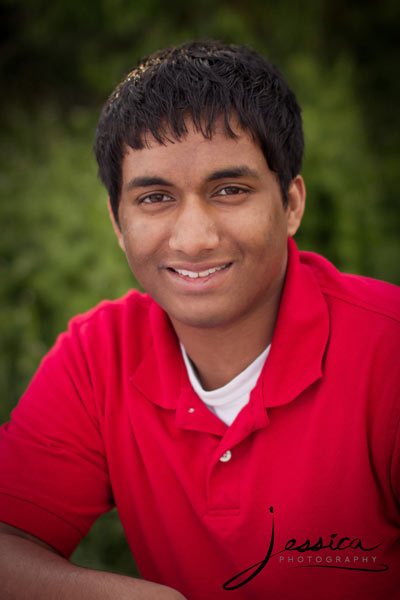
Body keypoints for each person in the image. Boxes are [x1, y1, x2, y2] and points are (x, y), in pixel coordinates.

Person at [0, 40, 399, 600]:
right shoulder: (99, 355)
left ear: (291, 205)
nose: (193, 239)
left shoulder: (389, 349)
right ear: (118, 224)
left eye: (230, 190)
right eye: (156, 198)